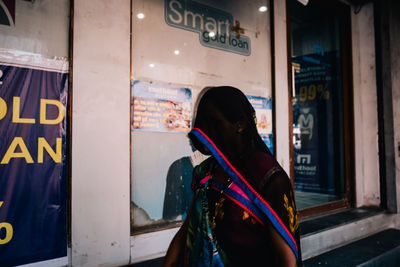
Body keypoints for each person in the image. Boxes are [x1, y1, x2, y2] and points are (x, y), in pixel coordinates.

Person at [163, 86, 301, 267]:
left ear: (241, 124)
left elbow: (286, 259)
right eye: (203, 124)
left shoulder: (268, 177)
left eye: (214, 123)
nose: (206, 132)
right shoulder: (206, 171)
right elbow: (188, 229)